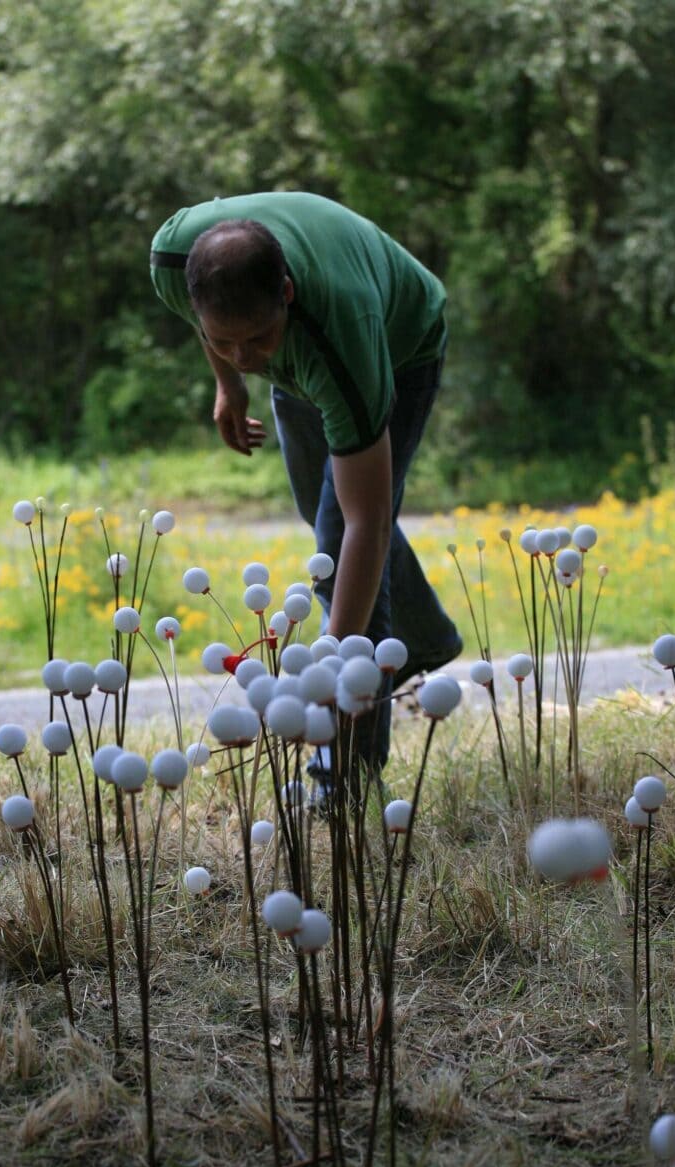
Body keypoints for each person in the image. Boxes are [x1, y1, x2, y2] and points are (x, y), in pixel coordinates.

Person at [150, 191, 462, 785]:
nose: (242, 357)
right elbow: (222, 328)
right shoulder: (173, 259)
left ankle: (343, 773)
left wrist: (327, 678)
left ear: (286, 294)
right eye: (223, 341)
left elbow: (365, 524)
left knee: (341, 538)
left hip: (401, 344)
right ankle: (423, 639)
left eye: (257, 340)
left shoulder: (344, 344)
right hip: (303, 351)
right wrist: (229, 384)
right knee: (320, 516)